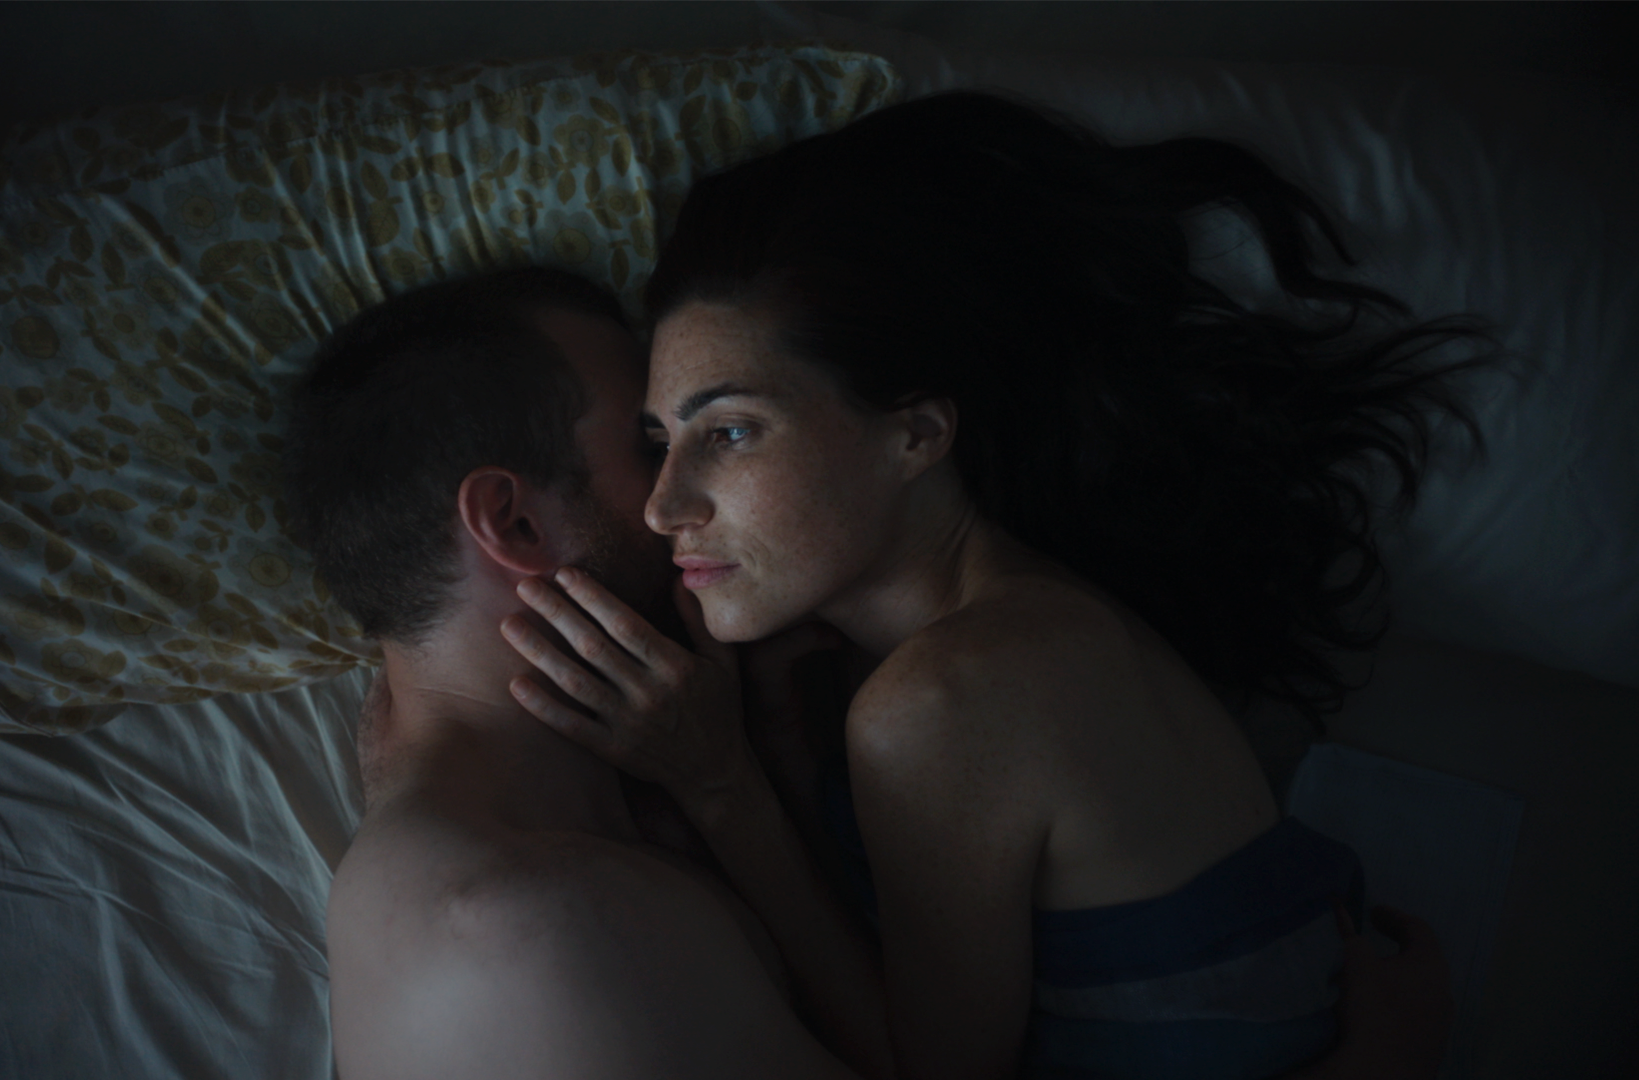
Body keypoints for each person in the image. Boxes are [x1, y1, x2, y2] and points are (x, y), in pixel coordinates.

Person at [497, 92, 1484, 1079]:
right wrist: (788, 760)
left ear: (916, 433)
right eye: (661, 441)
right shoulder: (963, 649)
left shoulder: (951, 693)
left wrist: (719, 784)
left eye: (731, 431)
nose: (664, 505)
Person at [282, 267, 858, 1080]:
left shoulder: (476, 788)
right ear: (514, 522)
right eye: (647, 446)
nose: (689, 492)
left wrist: (764, 758)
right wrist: (729, 788)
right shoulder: (537, 931)